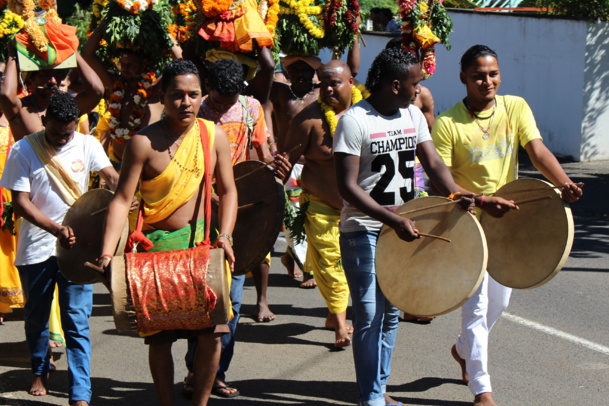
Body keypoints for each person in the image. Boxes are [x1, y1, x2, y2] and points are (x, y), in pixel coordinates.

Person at [431, 44, 583, 406]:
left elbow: (538, 151)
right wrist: (478, 202)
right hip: (468, 226)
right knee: (477, 307)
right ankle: (482, 389)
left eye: (493, 73)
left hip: (507, 225)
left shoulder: (515, 107)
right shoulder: (448, 123)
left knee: (501, 302)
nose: (488, 81)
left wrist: (564, 182)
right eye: (479, 75)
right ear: (463, 78)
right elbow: (440, 182)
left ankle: (463, 349)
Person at [333, 47, 473, 406]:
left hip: (404, 225)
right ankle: (371, 397)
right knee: (368, 314)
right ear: (396, 85)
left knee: (392, 311)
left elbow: (433, 161)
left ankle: (378, 390)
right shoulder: (354, 120)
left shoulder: (413, 114)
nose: (420, 89)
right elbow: (347, 186)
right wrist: (392, 220)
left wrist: (455, 193)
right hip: (364, 229)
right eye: (416, 83)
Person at [98, 59, 237, 406]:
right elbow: (121, 201)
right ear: (163, 96)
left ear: (202, 96)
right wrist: (106, 253)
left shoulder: (213, 135)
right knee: (160, 339)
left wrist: (227, 235)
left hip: (201, 246)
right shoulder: (143, 143)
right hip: (154, 253)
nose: (185, 102)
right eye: (177, 95)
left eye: (193, 94)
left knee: (213, 335)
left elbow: (230, 191)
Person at [0, 91, 119, 406]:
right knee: (36, 318)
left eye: (68, 133)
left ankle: (81, 389)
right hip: (35, 251)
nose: (63, 139)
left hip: (78, 251)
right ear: (43, 121)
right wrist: (55, 229)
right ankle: (39, 370)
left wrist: (124, 196)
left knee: (77, 320)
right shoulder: (23, 150)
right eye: (56, 133)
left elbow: (111, 177)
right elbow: (20, 204)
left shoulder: (86, 143)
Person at [281, 60, 362, 348]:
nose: (327, 89)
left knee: (357, 267)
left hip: (362, 208)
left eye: (334, 83)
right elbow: (284, 163)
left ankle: (332, 314)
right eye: (323, 83)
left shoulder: (367, 114)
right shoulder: (308, 121)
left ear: (351, 82)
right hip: (321, 206)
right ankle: (340, 324)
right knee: (331, 265)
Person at [0, 48, 103, 141]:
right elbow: (6, 95)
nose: (53, 81)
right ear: (31, 78)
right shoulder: (21, 109)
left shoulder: (69, 105)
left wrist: (72, 50)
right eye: (45, 75)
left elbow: (97, 91)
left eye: (58, 76)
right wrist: (12, 56)